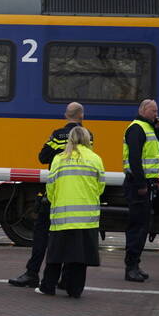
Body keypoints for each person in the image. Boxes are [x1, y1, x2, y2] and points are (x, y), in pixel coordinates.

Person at [9, 102, 89, 288]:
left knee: (41, 234)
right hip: (77, 195)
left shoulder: (58, 135)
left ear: (66, 115)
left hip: (55, 191)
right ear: (82, 116)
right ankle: (66, 279)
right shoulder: (88, 136)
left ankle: (32, 273)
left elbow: (43, 157)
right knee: (71, 238)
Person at [36, 126, 105, 298]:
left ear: (70, 139)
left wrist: (56, 200)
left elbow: (50, 186)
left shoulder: (59, 158)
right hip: (86, 217)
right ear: (87, 139)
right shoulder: (95, 159)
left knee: (56, 254)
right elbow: (100, 187)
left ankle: (48, 286)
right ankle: (75, 290)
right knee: (80, 256)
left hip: (63, 215)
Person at [122, 99, 159, 282]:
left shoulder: (149, 128)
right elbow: (134, 159)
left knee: (143, 226)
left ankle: (135, 265)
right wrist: (141, 185)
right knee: (137, 227)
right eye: (153, 111)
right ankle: (130, 268)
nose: (156, 114)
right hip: (137, 185)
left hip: (147, 184)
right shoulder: (136, 129)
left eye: (157, 110)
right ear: (143, 110)